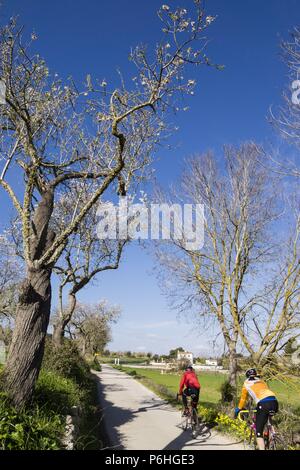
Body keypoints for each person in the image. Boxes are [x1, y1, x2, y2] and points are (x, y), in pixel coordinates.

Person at [235, 368, 279, 450]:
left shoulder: (246, 383)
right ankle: (273, 434)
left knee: (259, 432)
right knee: (268, 418)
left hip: (263, 404)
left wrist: (238, 409)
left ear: (247, 376)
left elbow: (243, 399)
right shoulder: (261, 381)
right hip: (274, 402)